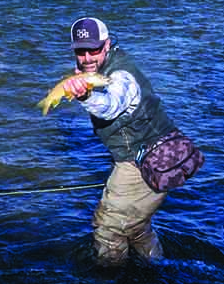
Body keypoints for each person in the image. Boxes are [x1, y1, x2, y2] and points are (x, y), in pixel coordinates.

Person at [54, 15, 183, 265]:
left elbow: (112, 105)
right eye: (81, 51)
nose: (87, 57)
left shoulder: (121, 74)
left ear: (107, 44)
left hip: (143, 160)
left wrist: (85, 97)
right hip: (162, 153)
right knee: (135, 227)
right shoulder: (102, 67)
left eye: (93, 49)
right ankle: (155, 267)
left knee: (108, 228)